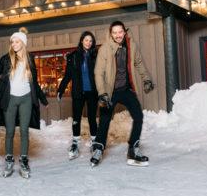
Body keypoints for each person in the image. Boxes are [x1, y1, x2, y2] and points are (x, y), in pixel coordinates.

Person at [0, 28, 48, 179]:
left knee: (24, 131)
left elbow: (34, 83)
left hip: (26, 99)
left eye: (16, 41)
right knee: (9, 132)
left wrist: (42, 99)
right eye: (12, 42)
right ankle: (9, 160)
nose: (13, 44)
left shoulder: (30, 59)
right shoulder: (6, 59)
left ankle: (23, 160)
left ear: (23, 42)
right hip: (10, 100)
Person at [91, 21, 155, 167]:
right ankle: (98, 148)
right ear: (111, 34)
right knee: (105, 120)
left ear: (124, 32)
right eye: (115, 33)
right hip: (110, 91)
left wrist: (146, 79)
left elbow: (138, 63)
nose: (118, 35)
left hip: (126, 89)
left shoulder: (131, 45)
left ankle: (133, 149)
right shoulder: (105, 49)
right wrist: (102, 93)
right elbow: (98, 72)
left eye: (120, 32)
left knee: (138, 116)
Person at [57, 31, 99, 160]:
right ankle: (75, 143)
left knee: (92, 118)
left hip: (92, 92)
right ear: (82, 41)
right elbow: (68, 75)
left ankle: (95, 142)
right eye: (86, 40)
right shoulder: (74, 56)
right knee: (76, 118)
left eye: (91, 41)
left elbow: (102, 74)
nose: (88, 43)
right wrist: (61, 90)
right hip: (78, 92)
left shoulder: (95, 55)